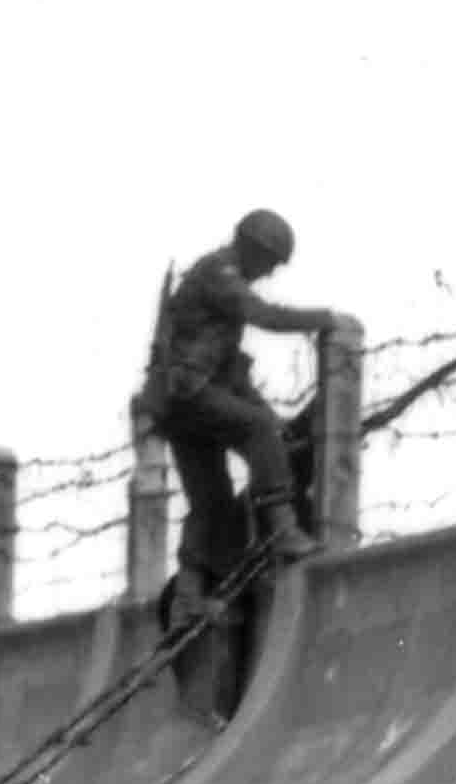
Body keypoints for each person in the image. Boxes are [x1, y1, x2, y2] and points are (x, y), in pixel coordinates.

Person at [141, 209, 353, 589]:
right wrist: (328, 319)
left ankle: (192, 592)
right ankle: (281, 529)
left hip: (180, 403)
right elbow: (264, 315)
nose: (269, 272)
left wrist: (270, 417)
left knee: (211, 502)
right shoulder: (219, 274)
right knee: (257, 429)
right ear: (251, 247)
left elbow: (229, 374)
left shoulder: (217, 278)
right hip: (187, 396)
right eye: (269, 261)